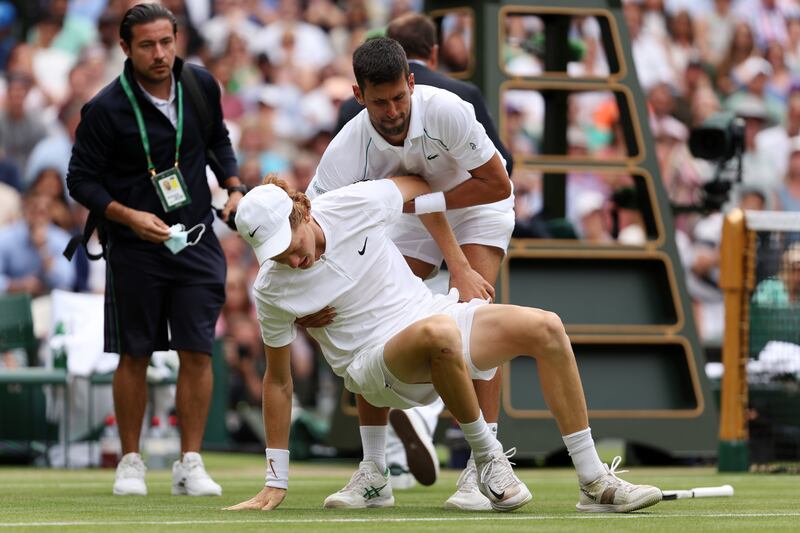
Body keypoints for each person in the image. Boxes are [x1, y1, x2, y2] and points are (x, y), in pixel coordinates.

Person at [225, 175, 663, 514]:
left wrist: (455, 260)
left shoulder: (354, 202)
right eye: (278, 256)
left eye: (292, 246)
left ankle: (594, 482)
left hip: (431, 313)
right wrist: (275, 480)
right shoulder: (271, 290)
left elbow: (422, 189)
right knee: (440, 334)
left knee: (547, 327)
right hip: (371, 370)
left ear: (301, 212)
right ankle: (489, 459)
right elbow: (278, 382)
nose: (293, 261)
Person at [306, 36, 513, 509]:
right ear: (359, 96)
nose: (393, 110)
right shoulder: (345, 150)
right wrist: (310, 298)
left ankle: (483, 466)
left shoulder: (449, 110)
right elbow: (315, 227)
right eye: (379, 102)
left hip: (478, 205)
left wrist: (456, 261)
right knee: (363, 311)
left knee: (477, 314)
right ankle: (375, 471)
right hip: (411, 211)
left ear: (412, 82)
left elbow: (497, 183)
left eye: (400, 97)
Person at [66, 3, 244, 497]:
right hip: (134, 247)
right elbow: (79, 179)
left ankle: (190, 462)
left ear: (177, 39)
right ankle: (130, 461)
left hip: (197, 238)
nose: (160, 53)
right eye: (147, 44)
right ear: (125, 48)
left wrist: (232, 186)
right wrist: (125, 215)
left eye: (166, 41)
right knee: (134, 354)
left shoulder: (201, 85)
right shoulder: (105, 108)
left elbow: (218, 141)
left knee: (198, 350)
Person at [0, 191, 74, 295]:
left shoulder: (62, 239)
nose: (38, 218)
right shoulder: (6, 236)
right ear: (25, 210)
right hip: (13, 300)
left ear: (50, 215)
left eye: (43, 212)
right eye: (34, 211)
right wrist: (17, 285)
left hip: (47, 300)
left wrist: (43, 248)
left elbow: (65, 281)